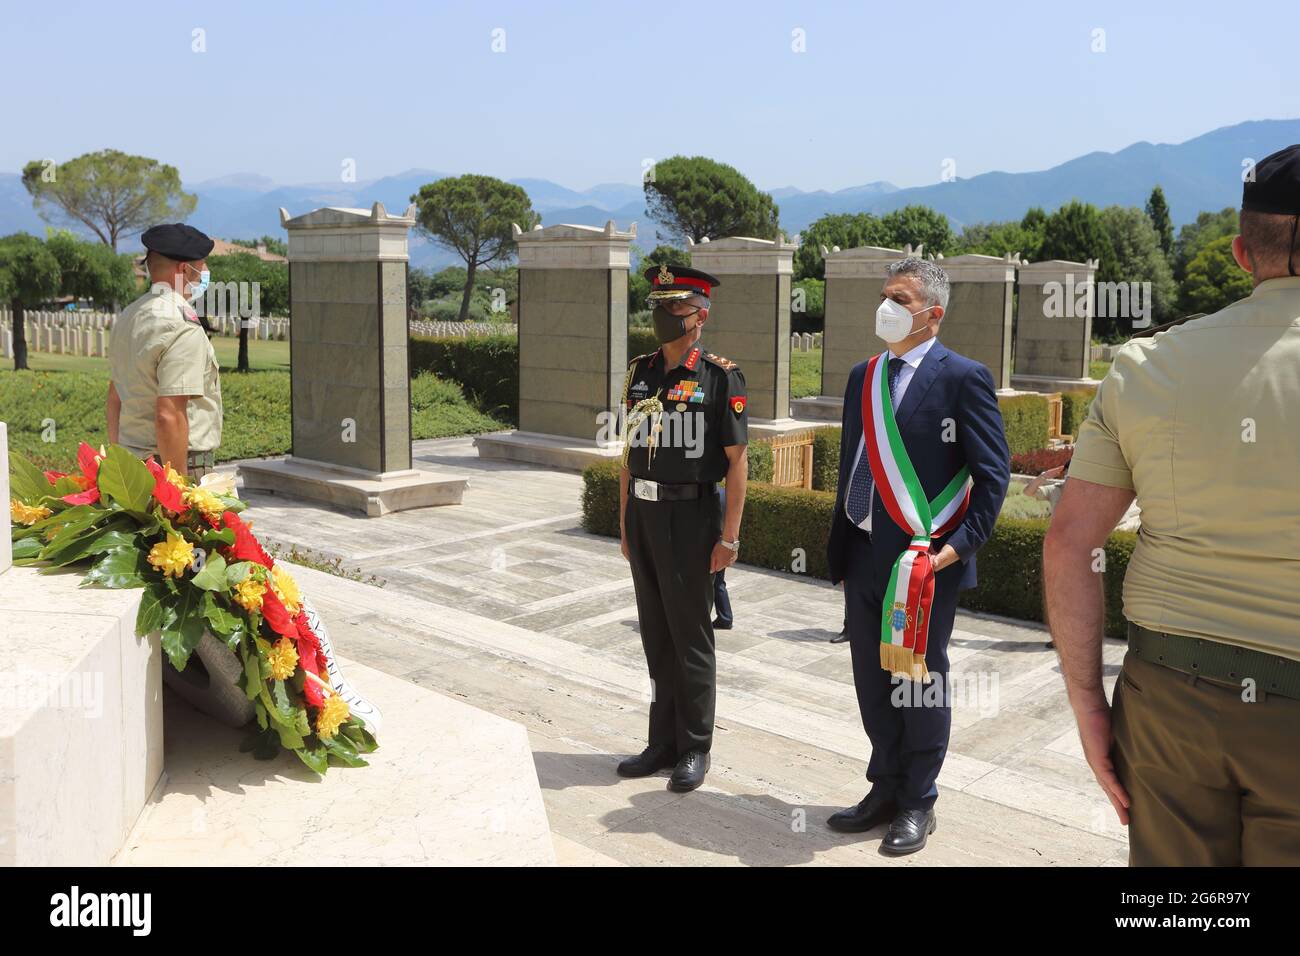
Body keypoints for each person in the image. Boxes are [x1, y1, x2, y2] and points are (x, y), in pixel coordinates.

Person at [1044, 143, 1300, 866]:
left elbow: (1070, 543)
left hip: (1169, 698)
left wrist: (1088, 706)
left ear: (1241, 253)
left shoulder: (1146, 365)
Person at [825, 257, 1010, 854]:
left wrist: (953, 551)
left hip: (924, 564)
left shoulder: (963, 378)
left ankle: (917, 801)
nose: (886, 307)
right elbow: (855, 461)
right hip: (862, 553)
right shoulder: (864, 375)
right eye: (884, 295)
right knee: (872, 678)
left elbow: (992, 475)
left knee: (917, 681)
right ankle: (883, 787)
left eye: (899, 299)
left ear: (933, 314)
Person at [616, 264, 749, 793]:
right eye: (659, 305)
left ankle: (695, 746)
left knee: (691, 636)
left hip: (691, 519)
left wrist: (729, 537)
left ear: (700, 316)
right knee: (656, 634)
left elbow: (736, 462)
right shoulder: (640, 371)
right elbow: (627, 454)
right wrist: (624, 523)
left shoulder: (719, 376)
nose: (663, 314)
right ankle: (661, 741)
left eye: (675, 306)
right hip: (644, 516)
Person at [108, 223, 222, 480]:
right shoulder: (182, 325)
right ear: (184, 270)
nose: (205, 273)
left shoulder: (129, 316)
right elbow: (168, 414)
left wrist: (119, 465)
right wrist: (177, 488)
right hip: (174, 466)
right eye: (202, 266)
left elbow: (115, 398)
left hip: (131, 465)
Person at [712, 483, 734, 630]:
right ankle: (725, 617)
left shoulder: (711, 495)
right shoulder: (726, 494)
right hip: (723, 543)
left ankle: (724, 618)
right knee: (718, 582)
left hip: (709, 544)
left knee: (707, 583)